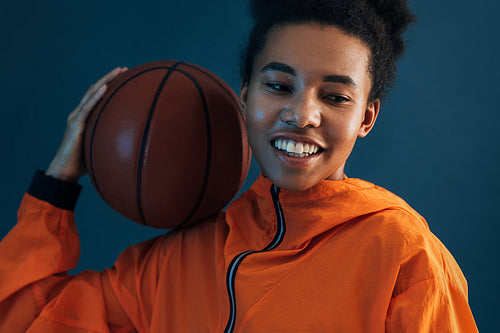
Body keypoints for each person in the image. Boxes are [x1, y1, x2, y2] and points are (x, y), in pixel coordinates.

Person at [0, 0, 478, 331]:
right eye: (278, 85)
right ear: (246, 94)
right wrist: (58, 185)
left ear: (366, 118)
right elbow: (22, 318)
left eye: (334, 97)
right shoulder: (173, 263)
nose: (302, 115)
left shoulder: (403, 257)